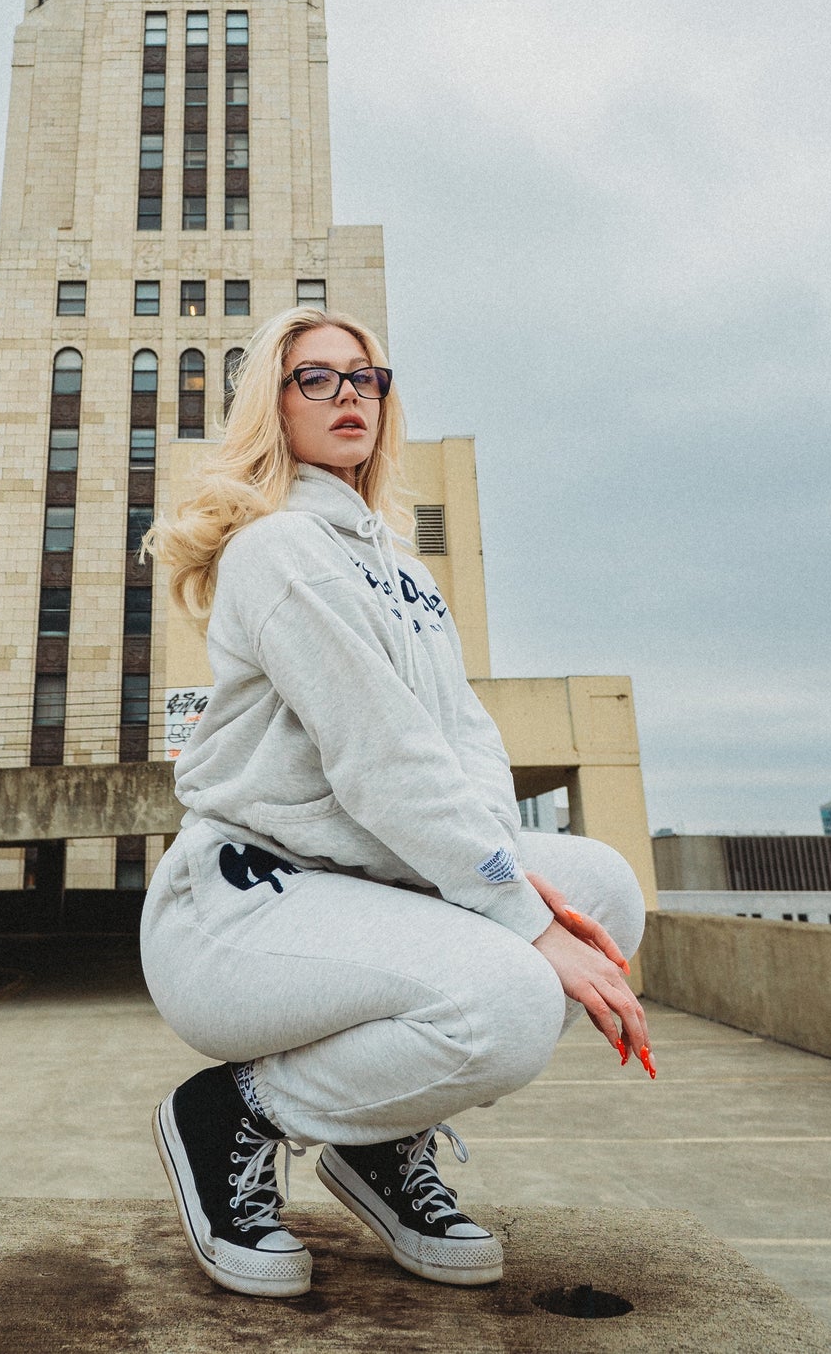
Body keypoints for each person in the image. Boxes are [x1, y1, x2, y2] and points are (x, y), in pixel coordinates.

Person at [141, 306, 651, 1301]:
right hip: (240, 906)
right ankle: (232, 1113)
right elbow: (380, 756)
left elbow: (462, 744)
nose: (349, 398)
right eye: (317, 379)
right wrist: (511, 916)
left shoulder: (403, 573)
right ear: (272, 406)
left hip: (370, 892)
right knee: (507, 991)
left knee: (599, 890)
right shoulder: (276, 551)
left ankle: (373, 1144)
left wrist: (509, 880)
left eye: (365, 379)